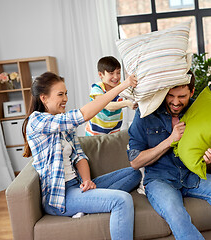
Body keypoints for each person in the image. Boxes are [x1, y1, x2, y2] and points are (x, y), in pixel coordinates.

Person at [22, 72, 142, 239]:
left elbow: (79, 156)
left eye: (66, 93)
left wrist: (87, 181)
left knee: (135, 173)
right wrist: (123, 85)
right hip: (60, 196)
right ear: (44, 98)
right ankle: (87, 202)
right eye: (60, 94)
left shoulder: (62, 122)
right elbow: (84, 115)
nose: (65, 98)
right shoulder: (37, 121)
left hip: (77, 185)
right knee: (121, 201)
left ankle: (87, 203)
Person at [127, 71, 211, 240]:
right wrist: (170, 140)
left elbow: (206, 146)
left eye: (182, 96)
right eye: (170, 95)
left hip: (191, 175)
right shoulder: (146, 113)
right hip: (160, 180)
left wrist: (210, 155)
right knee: (175, 212)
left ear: (192, 92)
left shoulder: (199, 111)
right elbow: (135, 162)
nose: (175, 102)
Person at [85, 56, 138, 136]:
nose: (116, 77)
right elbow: (106, 105)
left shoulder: (121, 87)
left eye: (118, 72)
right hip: (95, 133)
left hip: (114, 131)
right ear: (101, 74)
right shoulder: (97, 88)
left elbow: (132, 95)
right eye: (111, 73)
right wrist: (126, 103)